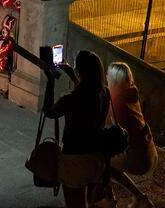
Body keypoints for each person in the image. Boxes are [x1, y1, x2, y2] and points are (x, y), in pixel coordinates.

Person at [43, 50, 110, 208]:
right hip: (97, 158)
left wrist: (50, 81)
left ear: (80, 72)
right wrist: (73, 74)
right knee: (88, 202)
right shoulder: (104, 94)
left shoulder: (71, 100)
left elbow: (49, 112)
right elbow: (87, 92)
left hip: (75, 160)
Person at [93, 62, 157, 208]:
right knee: (107, 160)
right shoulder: (131, 93)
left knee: (100, 160)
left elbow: (120, 134)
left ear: (115, 79)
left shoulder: (117, 101)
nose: (106, 77)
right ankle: (140, 198)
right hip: (149, 151)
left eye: (109, 74)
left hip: (138, 157)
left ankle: (108, 199)